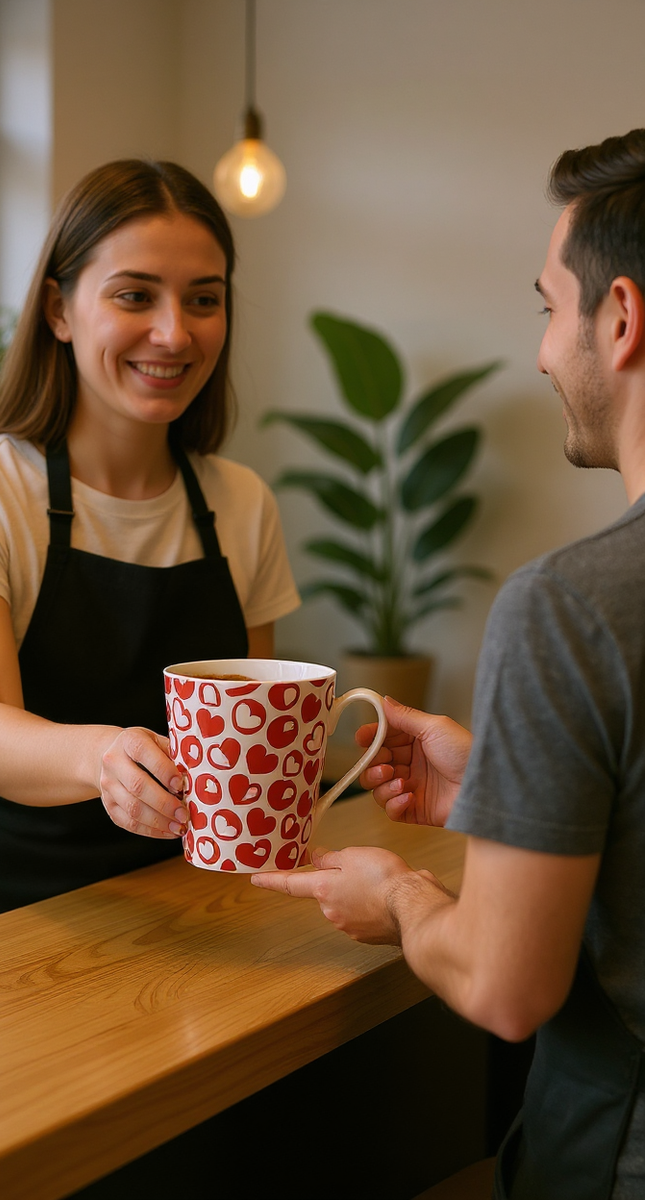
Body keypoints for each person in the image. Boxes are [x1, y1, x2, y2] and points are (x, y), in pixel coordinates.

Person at [252, 128, 645, 1200]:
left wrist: (401, 902)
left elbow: (504, 988)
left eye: (545, 306)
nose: (538, 350)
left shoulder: (567, 608)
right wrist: (511, 795)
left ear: (617, 321)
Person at [0, 159, 300, 948]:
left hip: (178, 912)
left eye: (203, 300)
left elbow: (254, 736)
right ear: (59, 309)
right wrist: (106, 755)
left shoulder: (243, 503)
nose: (175, 332)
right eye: (135, 295)